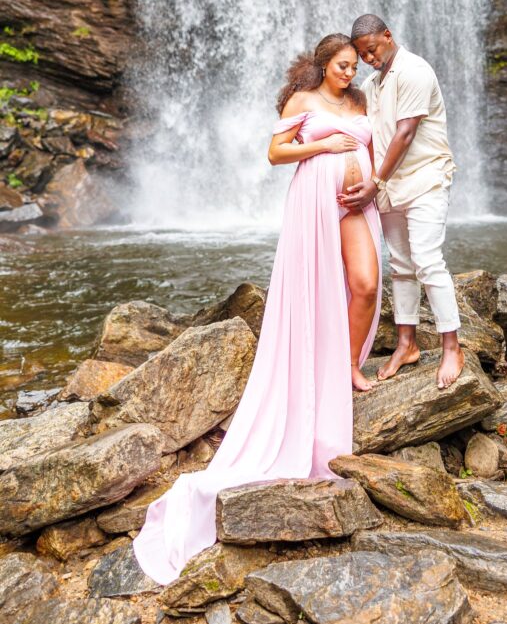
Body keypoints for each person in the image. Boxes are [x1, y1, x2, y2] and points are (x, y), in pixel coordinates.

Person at [133, 34, 381, 585]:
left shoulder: (362, 102)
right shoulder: (301, 100)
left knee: (364, 284)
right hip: (313, 201)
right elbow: (275, 155)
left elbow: (380, 144)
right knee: (318, 288)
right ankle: (319, 370)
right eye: (342, 66)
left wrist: (373, 182)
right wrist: (326, 148)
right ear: (324, 65)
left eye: (353, 67)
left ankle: (346, 364)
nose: (349, 73)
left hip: (355, 203)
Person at [339, 14, 465, 390]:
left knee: (428, 260)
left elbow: (405, 132)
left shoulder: (414, 71)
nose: (369, 59)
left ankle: (452, 347)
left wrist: (374, 183)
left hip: (425, 179)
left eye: (372, 49)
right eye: (362, 55)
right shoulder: (371, 84)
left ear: (388, 36)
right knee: (400, 265)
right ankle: (406, 344)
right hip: (392, 188)